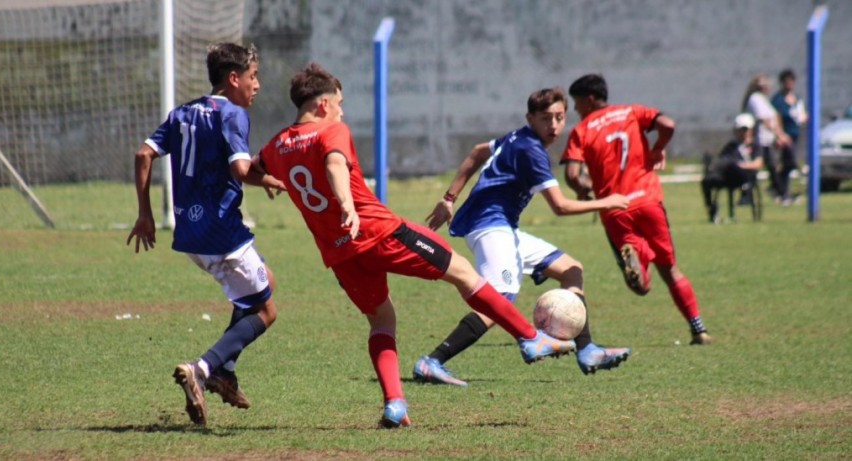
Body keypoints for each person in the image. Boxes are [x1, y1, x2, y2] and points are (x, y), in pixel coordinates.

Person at [256, 63, 575, 429]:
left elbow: (248, 168)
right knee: (464, 273)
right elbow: (334, 164)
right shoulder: (333, 129)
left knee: (382, 319)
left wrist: (269, 179)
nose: (343, 110)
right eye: (340, 102)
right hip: (380, 232)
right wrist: (346, 203)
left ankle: (395, 404)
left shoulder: (277, 144)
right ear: (325, 104)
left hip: (339, 252)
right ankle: (530, 338)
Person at [412, 87, 632, 387]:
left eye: (559, 118)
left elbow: (477, 152)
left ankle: (587, 350)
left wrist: (450, 198)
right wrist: (607, 202)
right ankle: (433, 361)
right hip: (489, 226)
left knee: (571, 269)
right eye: (545, 118)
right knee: (498, 299)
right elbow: (560, 206)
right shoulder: (531, 151)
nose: (553, 125)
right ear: (530, 118)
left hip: (503, 227)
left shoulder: (518, 138)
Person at [127, 43, 285, 426]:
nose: (257, 85)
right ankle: (203, 368)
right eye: (253, 76)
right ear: (233, 79)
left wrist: (145, 215)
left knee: (262, 285)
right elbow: (241, 170)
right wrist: (271, 179)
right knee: (266, 310)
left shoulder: (182, 113)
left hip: (190, 235)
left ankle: (224, 372)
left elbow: (142, 155)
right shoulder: (233, 114)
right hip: (222, 233)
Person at [561, 73, 713, 346]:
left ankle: (639, 260)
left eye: (576, 103)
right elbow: (667, 123)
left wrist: (584, 191)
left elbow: (572, 174)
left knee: (642, 287)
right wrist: (657, 149)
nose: (575, 110)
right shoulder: (632, 112)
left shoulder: (582, 130)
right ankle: (698, 329)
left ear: (589, 99)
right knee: (671, 270)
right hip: (648, 202)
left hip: (614, 209)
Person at [701, 113, 764, 222]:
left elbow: (758, 163)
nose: (742, 132)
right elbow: (723, 159)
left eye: (745, 129)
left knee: (733, 164)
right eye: (740, 129)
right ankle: (711, 208)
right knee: (708, 180)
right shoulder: (731, 146)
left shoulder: (755, 146)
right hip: (729, 176)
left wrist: (743, 165)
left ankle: (745, 195)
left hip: (746, 176)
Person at [742, 73, 791, 203]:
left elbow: (775, 116)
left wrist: (778, 133)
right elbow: (764, 119)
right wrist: (779, 135)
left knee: (769, 167)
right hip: (760, 139)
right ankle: (779, 192)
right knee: (764, 167)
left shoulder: (763, 99)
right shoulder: (755, 98)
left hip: (767, 139)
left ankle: (777, 191)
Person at [771, 69, 807, 206]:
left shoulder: (797, 99)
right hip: (784, 136)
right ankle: (780, 188)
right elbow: (775, 118)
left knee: (786, 165)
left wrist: (804, 118)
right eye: (787, 82)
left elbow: (801, 114)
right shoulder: (778, 100)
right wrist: (779, 135)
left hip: (795, 134)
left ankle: (781, 191)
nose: (790, 85)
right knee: (790, 161)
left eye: (792, 82)